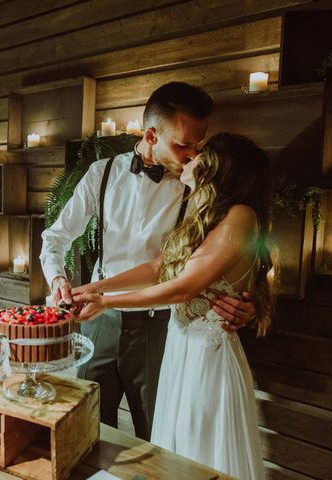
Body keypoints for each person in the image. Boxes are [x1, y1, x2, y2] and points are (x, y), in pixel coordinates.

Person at [39, 82, 255, 440]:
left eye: (197, 146)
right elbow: (56, 236)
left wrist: (248, 302)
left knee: (158, 435)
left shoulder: (198, 186)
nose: (191, 155)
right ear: (151, 134)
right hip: (99, 322)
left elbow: (226, 256)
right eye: (183, 144)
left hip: (161, 325)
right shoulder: (101, 173)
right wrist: (58, 280)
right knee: (89, 427)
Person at [73, 132, 273, 479]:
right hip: (180, 350)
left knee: (200, 450)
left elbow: (184, 288)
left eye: (200, 153)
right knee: (175, 448)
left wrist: (107, 302)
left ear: (217, 167)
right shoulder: (203, 213)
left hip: (207, 359)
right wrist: (95, 287)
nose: (191, 156)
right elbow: (156, 269)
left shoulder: (240, 216)